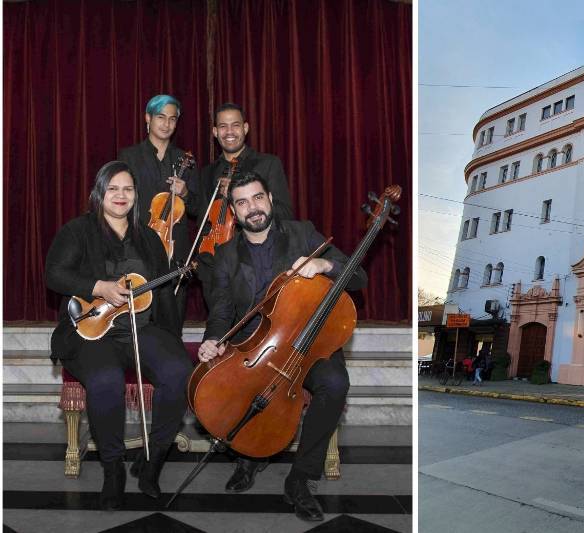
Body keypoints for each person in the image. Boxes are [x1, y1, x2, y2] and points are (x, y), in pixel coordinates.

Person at [196, 172, 366, 522]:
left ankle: (300, 478)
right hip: (256, 346)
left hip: (308, 342)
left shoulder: (302, 233)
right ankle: (248, 458)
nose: (252, 208)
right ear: (234, 211)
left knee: (335, 384)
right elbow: (221, 310)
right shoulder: (225, 255)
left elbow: (358, 274)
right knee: (234, 384)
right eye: (242, 202)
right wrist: (212, 340)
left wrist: (322, 264)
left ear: (270, 198)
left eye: (257, 198)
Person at [44, 161, 193, 510]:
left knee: (177, 372)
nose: (121, 195)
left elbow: (162, 292)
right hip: (93, 333)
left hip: (141, 330)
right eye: (113, 188)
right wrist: (97, 286)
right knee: (106, 380)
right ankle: (113, 470)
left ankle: (153, 462)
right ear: (100, 193)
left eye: (128, 189)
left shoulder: (149, 237)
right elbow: (55, 274)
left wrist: (172, 332)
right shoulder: (78, 230)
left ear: (136, 196)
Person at [194, 103, 295, 306]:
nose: (229, 132)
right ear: (215, 132)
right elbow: (203, 223)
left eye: (235, 125)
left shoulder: (267, 164)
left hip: (258, 265)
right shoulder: (207, 172)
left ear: (246, 128)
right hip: (215, 269)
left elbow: (284, 213)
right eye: (223, 126)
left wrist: (239, 195)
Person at [118, 94, 201, 333]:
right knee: (139, 315)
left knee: (173, 317)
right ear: (148, 119)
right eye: (160, 117)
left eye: (172, 119)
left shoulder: (185, 161)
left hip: (175, 250)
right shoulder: (129, 156)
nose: (166, 124)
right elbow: (120, 201)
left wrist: (185, 193)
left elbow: (197, 208)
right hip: (139, 244)